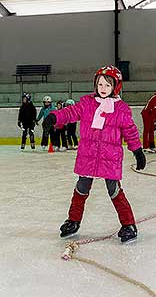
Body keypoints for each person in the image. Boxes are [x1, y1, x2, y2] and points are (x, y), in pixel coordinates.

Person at [43, 65, 146, 243]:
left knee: (114, 190)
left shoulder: (121, 109)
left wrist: (137, 150)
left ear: (116, 86)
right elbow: (70, 112)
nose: (103, 89)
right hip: (88, 155)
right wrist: (54, 117)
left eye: (107, 85)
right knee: (81, 189)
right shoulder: (87, 103)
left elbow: (130, 130)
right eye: (100, 85)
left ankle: (128, 224)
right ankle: (73, 221)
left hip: (110, 157)